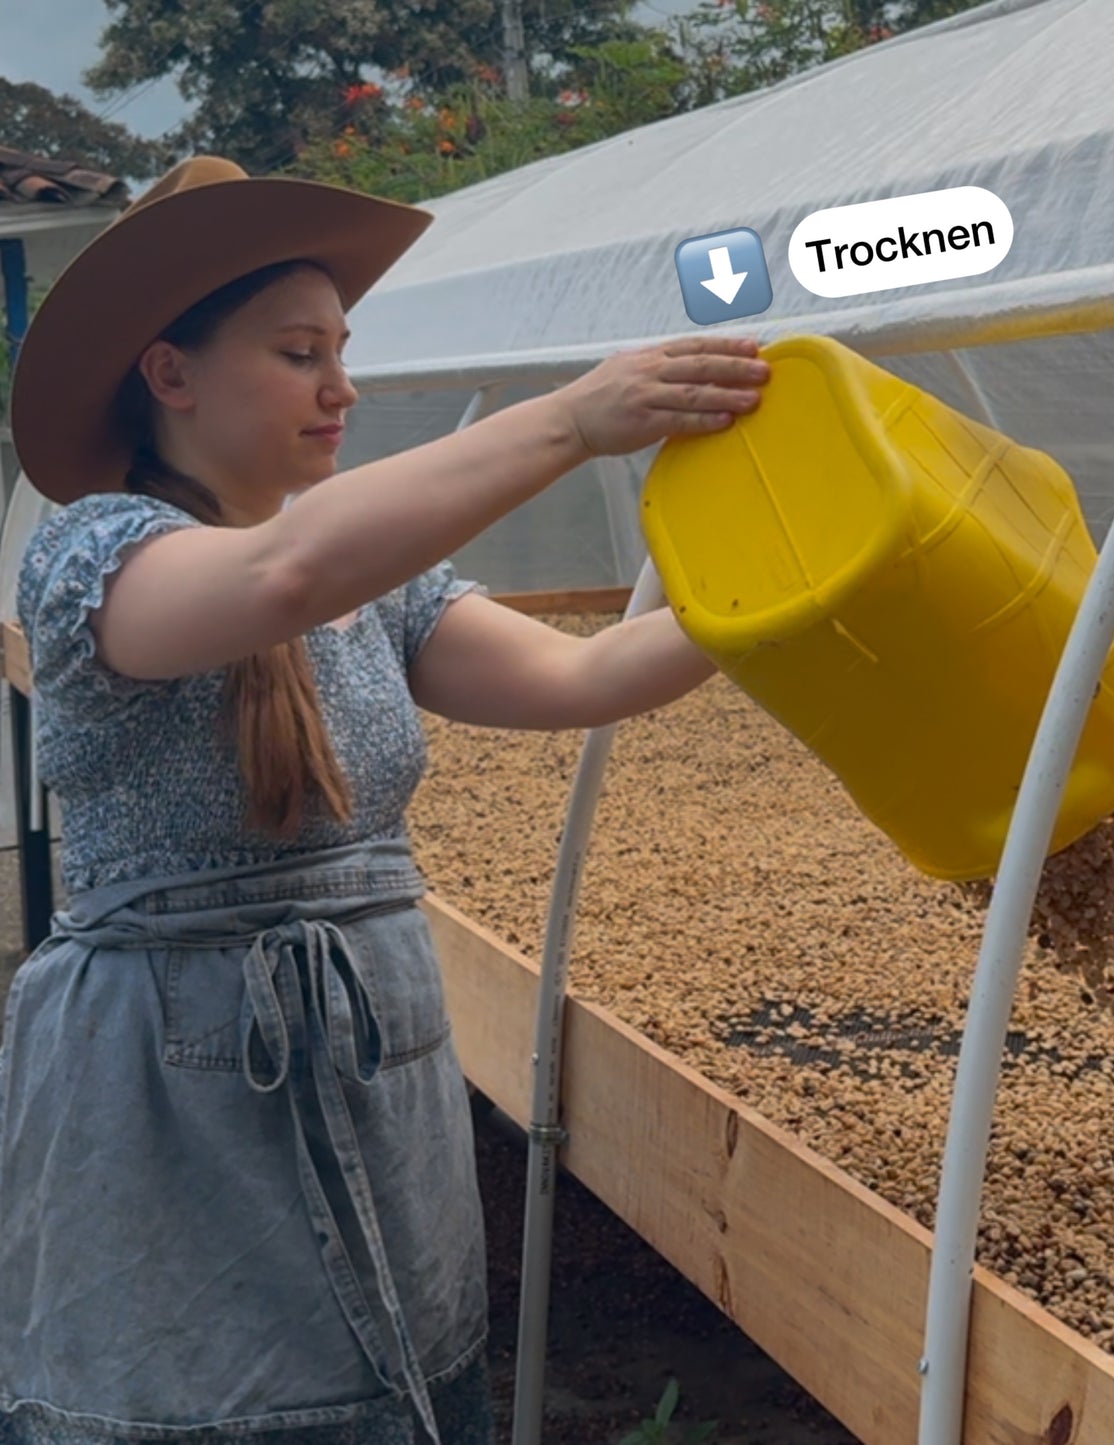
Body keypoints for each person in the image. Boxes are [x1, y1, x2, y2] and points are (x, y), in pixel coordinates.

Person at [0, 157, 770, 1445]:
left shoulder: (380, 583)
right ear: (170, 373)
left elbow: (583, 677)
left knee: (395, 1392)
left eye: (341, 352)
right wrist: (573, 421)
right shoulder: (90, 554)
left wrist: (787, 585)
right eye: (299, 353)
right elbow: (282, 576)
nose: (341, 388)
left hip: (374, 1053)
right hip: (177, 1093)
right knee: (205, 1404)